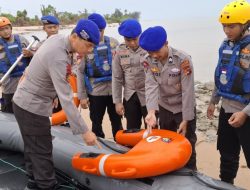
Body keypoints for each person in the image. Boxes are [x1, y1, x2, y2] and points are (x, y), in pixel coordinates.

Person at [12, 19, 101, 190]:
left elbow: (43, 70)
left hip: (24, 101)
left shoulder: (58, 40)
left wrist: (52, 94)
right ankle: (47, 185)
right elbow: (67, 98)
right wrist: (85, 131)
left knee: (32, 146)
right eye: (88, 45)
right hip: (31, 106)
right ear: (75, 36)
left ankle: (33, 181)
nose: (90, 51)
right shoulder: (58, 55)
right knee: (42, 148)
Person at [139, 26, 197, 170]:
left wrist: (186, 119)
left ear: (166, 43)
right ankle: (169, 170)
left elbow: (188, 91)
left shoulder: (182, 60)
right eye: (150, 52)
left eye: (157, 51)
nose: (154, 55)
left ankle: (191, 172)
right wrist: (151, 111)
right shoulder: (147, 60)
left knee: (188, 142)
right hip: (165, 107)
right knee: (165, 141)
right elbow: (151, 86)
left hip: (183, 108)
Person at [207, 0, 250, 184]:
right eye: (224, 26)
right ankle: (226, 185)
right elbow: (221, 75)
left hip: (246, 112)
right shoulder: (225, 45)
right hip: (226, 110)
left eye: (231, 26)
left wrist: (245, 113)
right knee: (227, 154)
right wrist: (212, 101)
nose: (226, 30)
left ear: (245, 24)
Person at [77, 13, 122, 139]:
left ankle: (121, 146)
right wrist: (82, 96)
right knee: (96, 124)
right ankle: (98, 149)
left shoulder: (114, 43)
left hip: (114, 91)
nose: (99, 34)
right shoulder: (85, 46)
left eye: (101, 31)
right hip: (95, 92)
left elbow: (121, 68)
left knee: (117, 123)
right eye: (96, 31)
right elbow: (80, 72)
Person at [112, 19, 148, 130]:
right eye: (128, 40)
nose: (132, 43)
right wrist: (117, 102)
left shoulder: (148, 47)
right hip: (130, 96)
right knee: (132, 130)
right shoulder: (119, 51)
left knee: (153, 130)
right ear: (123, 38)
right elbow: (117, 77)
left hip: (148, 95)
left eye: (135, 39)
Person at [0, 16, 32, 113]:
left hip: (24, 82)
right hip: (8, 84)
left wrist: (30, 54)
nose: (5, 31)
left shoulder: (22, 40)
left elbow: (36, 57)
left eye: (7, 28)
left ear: (11, 28)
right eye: (1, 30)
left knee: (25, 110)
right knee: (8, 111)